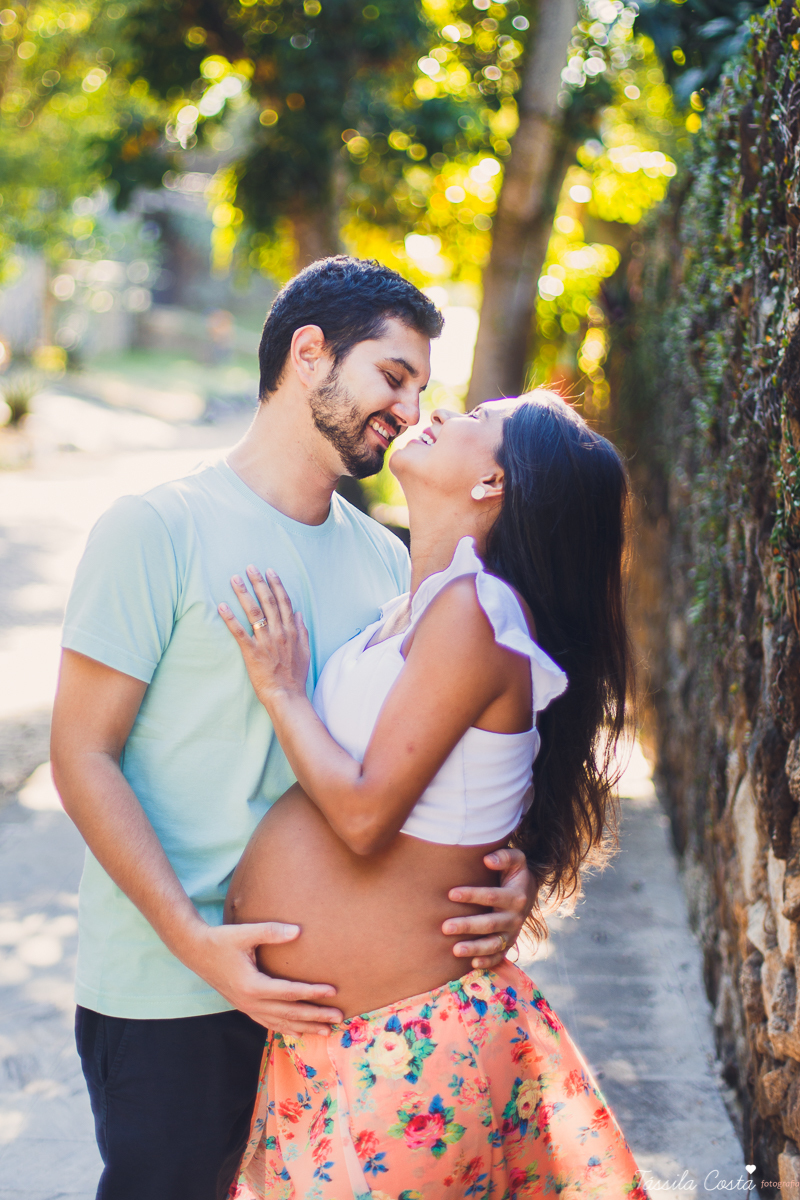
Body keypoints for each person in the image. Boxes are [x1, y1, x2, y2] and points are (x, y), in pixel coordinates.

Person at [49, 257, 538, 1200]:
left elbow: (422, 765)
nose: (406, 409)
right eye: (392, 377)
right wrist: (193, 941)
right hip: (171, 988)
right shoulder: (157, 528)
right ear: (308, 353)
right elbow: (81, 757)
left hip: (337, 1006)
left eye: (421, 391)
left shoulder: (384, 564)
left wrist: (505, 872)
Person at [219, 391, 647, 1199]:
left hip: (404, 1046)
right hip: (342, 1046)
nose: (445, 409)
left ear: (493, 483)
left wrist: (281, 689)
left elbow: (362, 813)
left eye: (481, 419)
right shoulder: (412, 610)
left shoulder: (475, 612)